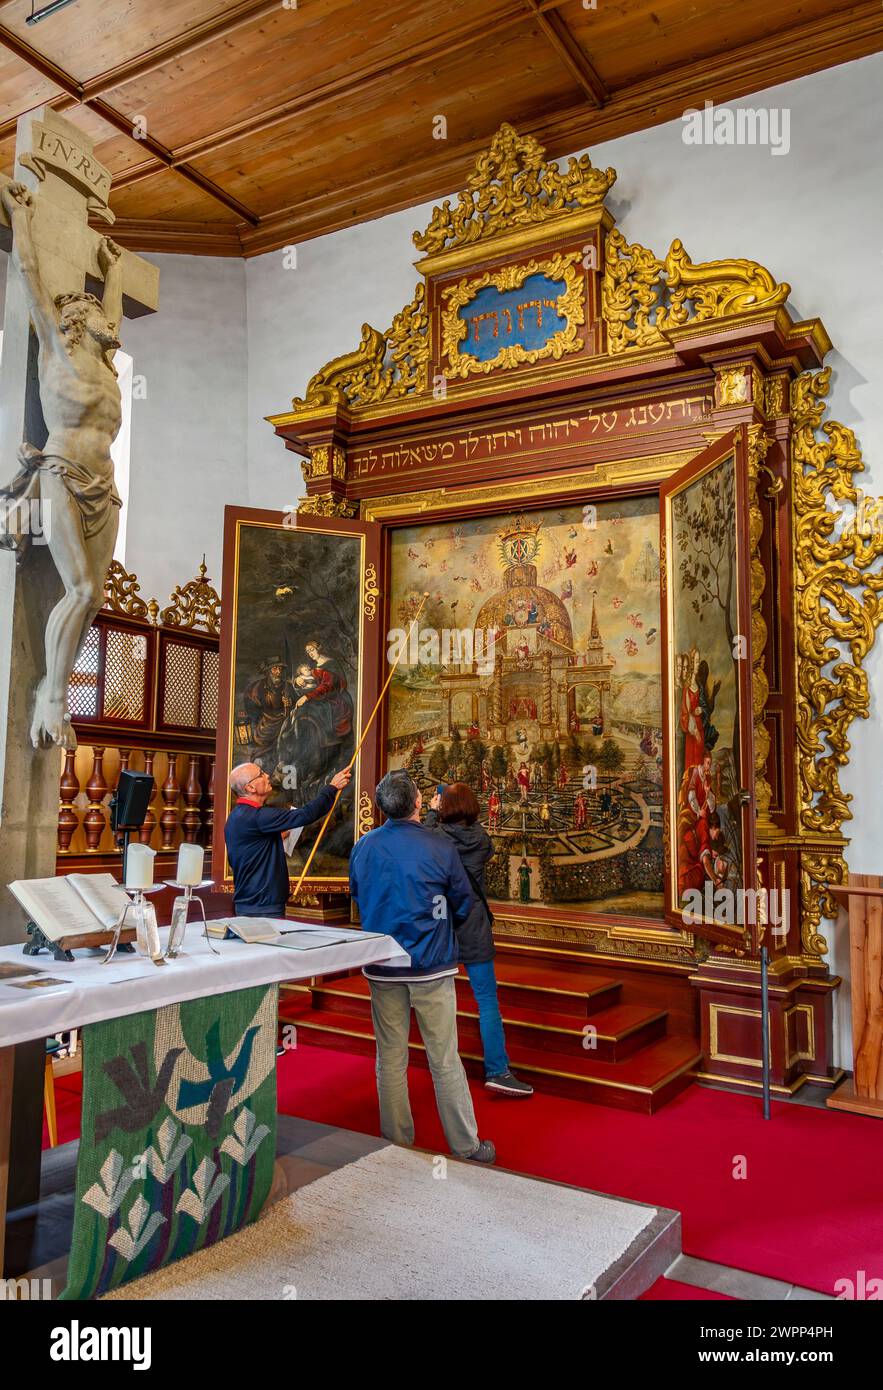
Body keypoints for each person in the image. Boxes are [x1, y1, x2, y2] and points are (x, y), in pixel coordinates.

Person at [349, 771, 495, 1163]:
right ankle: (465, 1145)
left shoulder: (364, 846)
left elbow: (358, 894)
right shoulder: (438, 847)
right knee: (444, 1058)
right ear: (417, 802)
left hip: (383, 963)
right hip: (430, 963)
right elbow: (463, 903)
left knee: (391, 1057)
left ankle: (397, 1144)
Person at [425, 783, 533, 1098]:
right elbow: (474, 833)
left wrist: (433, 811)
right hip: (472, 923)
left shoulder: (436, 838)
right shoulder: (482, 841)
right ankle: (497, 1070)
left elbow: (423, 836)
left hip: (441, 923)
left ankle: (443, 1071)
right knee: (487, 1002)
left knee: (436, 1001)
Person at [225, 761, 351, 917]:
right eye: (261, 774)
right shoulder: (258, 816)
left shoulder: (236, 816)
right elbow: (307, 814)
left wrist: (276, 838)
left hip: (250, 903)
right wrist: (332, 788)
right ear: (250, 788)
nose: (267, 775)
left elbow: (254, 848)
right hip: (263, 907)